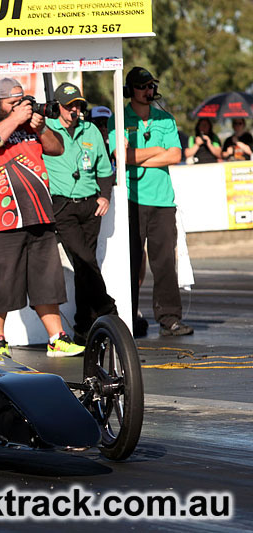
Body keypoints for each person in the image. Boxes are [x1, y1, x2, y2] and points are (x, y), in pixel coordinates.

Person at [0, 77, 85, 357]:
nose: (19, 107)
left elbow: (57, 148)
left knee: (47, 282)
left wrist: (41, 128)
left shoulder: (29, 122)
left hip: (39, 215)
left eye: (21, 101)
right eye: (12, 103)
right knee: (0, 284)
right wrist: (16, 119)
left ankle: (56, 338)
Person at [108, 66, 193, 336]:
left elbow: (175, 155)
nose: (148, 90)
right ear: (129, 90)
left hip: (163, 201)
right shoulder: (119, 118)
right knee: (131, 263)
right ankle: (129, 316)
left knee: (165, 262)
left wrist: (140, 156)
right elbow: (121, 156)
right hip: (131, 199)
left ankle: (170, 319)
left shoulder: (165, 119)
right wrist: (157, 150)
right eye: (142, 86)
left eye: (150, 86)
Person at [43, 83, 117, 344]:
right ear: (58, 108)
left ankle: (83, 325)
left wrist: (105, 195)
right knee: (84, 260)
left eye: (78, 105)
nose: (74, 110)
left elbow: (105, 169)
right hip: (63, 206)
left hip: (90, 205)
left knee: (84, 266)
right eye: (69, 106)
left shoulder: (91, 130)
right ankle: (108, 308)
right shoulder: (46, 130)